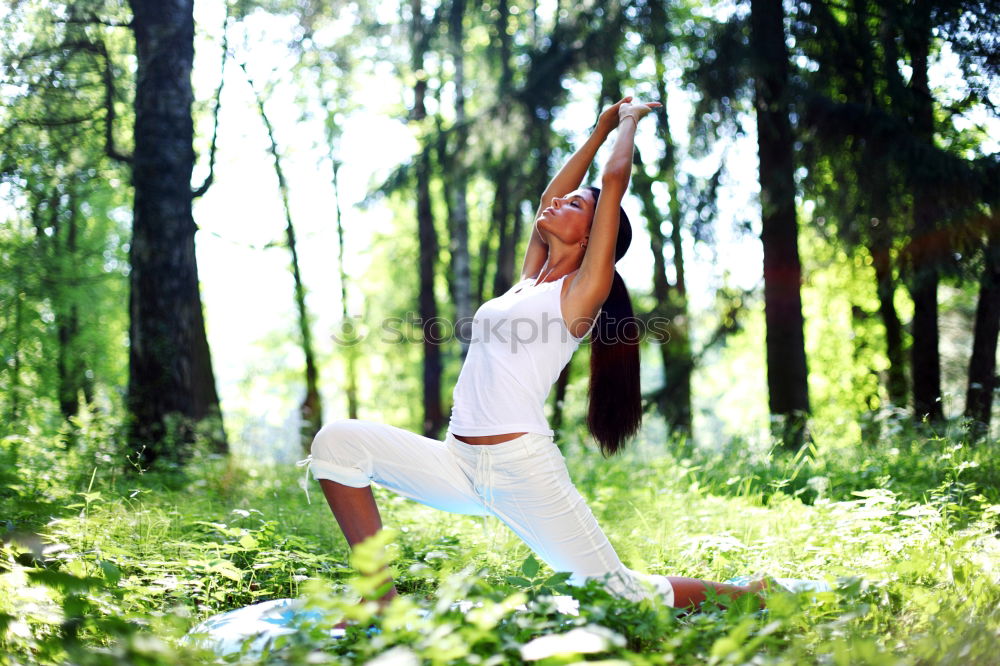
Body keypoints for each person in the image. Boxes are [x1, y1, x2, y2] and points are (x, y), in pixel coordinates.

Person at [304, 96, 767, 626]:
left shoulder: (580, 291)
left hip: (520, 468)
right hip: (457, 463)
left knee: (621, 595)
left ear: (596, 238)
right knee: (337, 443)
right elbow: (551, 193)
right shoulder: (531, 279)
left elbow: (612, 185)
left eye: (576, 207)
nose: (556, 204)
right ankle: (378, 595)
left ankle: (744, 595)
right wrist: (595, 132)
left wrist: (629, 124)